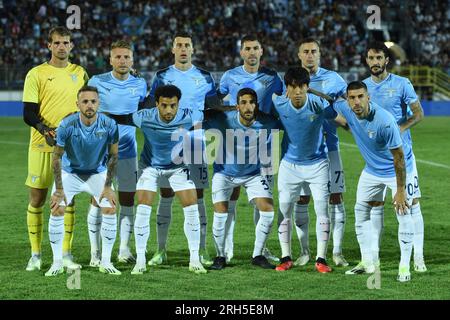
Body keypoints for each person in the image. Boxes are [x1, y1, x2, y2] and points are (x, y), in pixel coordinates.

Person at [109, 85, 207, 275]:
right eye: (164, 105)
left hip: (178, 168)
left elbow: (213, 114)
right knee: (144, 207)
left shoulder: (190, 115)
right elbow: (122, 119)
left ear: (179, 104)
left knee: (192, 207)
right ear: (156, 104)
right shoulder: (144, 116)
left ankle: (195, 259)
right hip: (150, 168)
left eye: (173, 105)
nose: (169, 110)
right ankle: (140, 260)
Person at [147, 32, 220, 267]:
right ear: (173, 49)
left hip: (197, 143)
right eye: (178, 45)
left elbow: (213, 108)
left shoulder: (205, 77)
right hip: (168, 143)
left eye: (187, 45)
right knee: (166, 194)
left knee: (198, 196)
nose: (183, 49)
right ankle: (161, 250)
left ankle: (201, 250)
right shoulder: (162, 76)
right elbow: (151, 106)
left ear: (192, 49)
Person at [331, 81, 415, 282]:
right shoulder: (345, 108)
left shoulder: (385, 121)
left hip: (395, 171)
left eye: (361, 96)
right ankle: (367, 262)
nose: (356, 101)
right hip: (371, 171)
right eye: (352, 97)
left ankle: (404, 266)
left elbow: (399, 157)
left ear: (368, 97)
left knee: (403, 212)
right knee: (360, 211)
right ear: (348, 100)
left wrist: (401, 189)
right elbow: (330, 100)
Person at [22, 26, 88, 271]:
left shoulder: (80, 73)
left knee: (68, 200)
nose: (62, 46)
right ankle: (36, 254)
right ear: (49, 45)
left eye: (66, 42)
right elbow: (28, 113)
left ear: (71, 46)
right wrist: (45, 130)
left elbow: (90, 104)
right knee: (37, 198)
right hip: (41, 145)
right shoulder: (36, 74)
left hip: (72, 147)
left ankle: (66, 253)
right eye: (57, 42)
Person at [218, 35, 284, 263]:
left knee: (263, 198)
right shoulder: (230, 76)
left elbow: (281, 102)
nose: (252, 52)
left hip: (264, 145)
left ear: (262, 51)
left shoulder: (272, 77)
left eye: (256, 48)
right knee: (231, 197)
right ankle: (227, 248)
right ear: (242, 52)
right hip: (234, 144)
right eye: (248, 48)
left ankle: (261, 249)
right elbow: (218, 104)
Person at [363, 42, 426, 272]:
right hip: (376, 160)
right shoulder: (363, 88)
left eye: (379, 57)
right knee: (374, 206)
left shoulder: (401, 84)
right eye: (371, 58)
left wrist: (400, 128)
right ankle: (374, 258)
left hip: (403, 156)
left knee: (411, 205)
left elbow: (419, 114)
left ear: (386, 60)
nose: (375, 62)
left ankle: (417, 257)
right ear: (367, 60)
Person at [46, 86, 120, 276]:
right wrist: (59, 189)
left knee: (110, 208)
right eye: (85, 101)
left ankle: (105, 261)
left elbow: (113, 156)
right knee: (57, 208)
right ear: (77, 104)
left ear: (99, 104)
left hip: (97, 172)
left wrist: (108, 186)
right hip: (71, 173)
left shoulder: (110, 124)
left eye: (93, 101)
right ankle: (56, 263)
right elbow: (57, 157)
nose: (89, 105)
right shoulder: (66, 125)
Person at [204, 88, 280, 270]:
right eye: (243, 102)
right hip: (224, 174)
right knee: (220, 215)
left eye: (252, 102)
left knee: (268, 211)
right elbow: (203, 114)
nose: (248, 106)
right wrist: (226, 109)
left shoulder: (267, 122)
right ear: (237, 106)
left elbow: (290, 123)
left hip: (253, 175)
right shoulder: (223, 120)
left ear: (257, 105)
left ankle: (258, 254)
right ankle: (220, 256)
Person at [88, 40, 147, 266]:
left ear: (132, 60)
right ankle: (95, 253)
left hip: (128, 151)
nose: (122, 61)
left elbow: (143, 110)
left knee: (127, 199)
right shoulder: (97, 81)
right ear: (110, 59)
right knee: (98, 199)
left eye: (126, 57)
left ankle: (124, 249)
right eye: (118, 57)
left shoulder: (140, 83)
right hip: (101, 152)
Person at [272, 67, 337, 273]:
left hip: (318, 164)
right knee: (284, 211)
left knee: (321, 210)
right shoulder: (279, 103)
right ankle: (285, 257)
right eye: (293, 87)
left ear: (307, 87)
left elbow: (334, 107)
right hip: (289, 165)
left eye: (302, 86)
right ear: (287, 89)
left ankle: (321, 259)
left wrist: (315, 92)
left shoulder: (318, 104)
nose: (298, 91)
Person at [295, 38, 349, 267]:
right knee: (302, 199)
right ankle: (304, 251)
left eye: (313, 51)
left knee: (335, 197)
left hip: (331, 148)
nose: (309, 55)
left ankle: (336, 252)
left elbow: (351, 106)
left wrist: (345, 119)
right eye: (305, 51)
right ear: (299, 55)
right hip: (302, 152)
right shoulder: (293, 80)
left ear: (320, 54)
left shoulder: (334, 79)